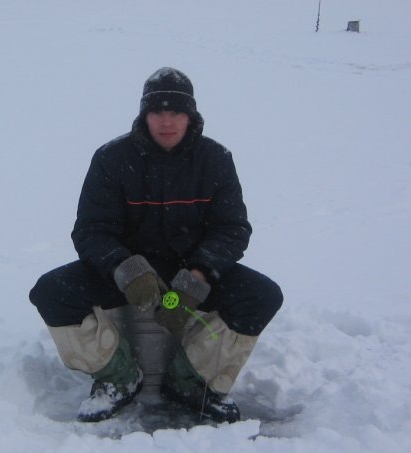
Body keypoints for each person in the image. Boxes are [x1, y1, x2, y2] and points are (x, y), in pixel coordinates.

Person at [29, 67, 283, 424]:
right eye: (157, 111)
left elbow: (231, 229)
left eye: (176, 111)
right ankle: (118, 376)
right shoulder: (111, 159)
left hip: (188, 279)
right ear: (144, 115)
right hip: (128, 279)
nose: (167, 121)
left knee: (261, 295)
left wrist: (198, 276)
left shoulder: (215, 159)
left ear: (191, 116)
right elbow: (91, 230)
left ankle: (191, 380)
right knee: (52, 292)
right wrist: (126, 269)